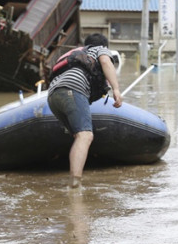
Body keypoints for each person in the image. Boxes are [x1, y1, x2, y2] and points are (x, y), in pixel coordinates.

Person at [47, 33, 123, 188]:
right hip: (73, 89)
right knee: (85, 135)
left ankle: (75, 176)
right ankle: (75, 184)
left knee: (78, 135)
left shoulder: (76, 54)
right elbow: (105, 62)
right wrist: (116, 89)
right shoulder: (100, 49)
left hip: (53, 95)